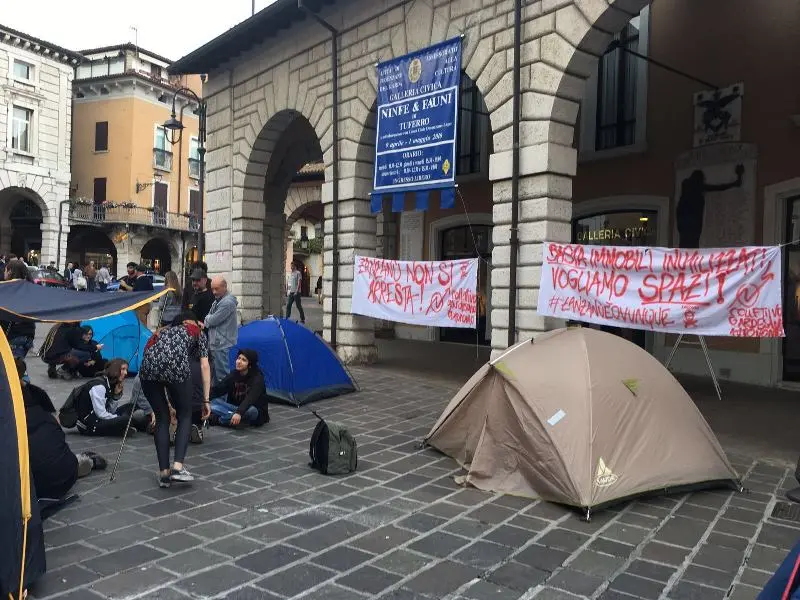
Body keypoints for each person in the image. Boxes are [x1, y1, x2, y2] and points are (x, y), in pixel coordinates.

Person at [16, 359, 106, 502]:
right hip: (62, 476)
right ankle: (82, 462)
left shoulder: (13, 408)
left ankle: (81, 462)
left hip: (33, 487)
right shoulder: (35, 395)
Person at [139, 311, 211, 487]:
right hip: (176, 368)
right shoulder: (196, 332)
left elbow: (149, 352)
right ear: (193, 322)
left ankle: (164, 473)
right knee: (185, 414)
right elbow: (204, 365)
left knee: (162, 417)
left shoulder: (161, 331)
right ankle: (178, 467)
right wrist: (206, 400)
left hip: (147, 369)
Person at [75, 359, 137, 436]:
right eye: (123, 369)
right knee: (126, 419)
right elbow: (101, 414)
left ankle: (122, 427)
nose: (126, 373)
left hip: (99, 418)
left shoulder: (109, 383)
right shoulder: (99, 386)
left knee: (131, 406)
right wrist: (118, 418)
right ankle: (120, 429)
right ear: (115, 369)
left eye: (126, 370)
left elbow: (110, 411)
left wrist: (115, 396)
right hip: (89, 425)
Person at [210, 349, 270, 427]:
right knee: (213, 402)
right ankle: (235, 419)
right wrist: (204, 400)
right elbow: (219, 390)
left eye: (243, 360)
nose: (239, 362)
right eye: (238, 358)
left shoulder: (257, 378)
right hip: (233, 408)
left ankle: (217, 419)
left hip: (251, 410)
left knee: (252, 411)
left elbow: (250, 398)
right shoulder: (234, 374)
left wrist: (239, 413)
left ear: (250, 364)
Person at [204, 276, 238, 385]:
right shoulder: (219, 300)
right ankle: (216, 399)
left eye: (216, 289)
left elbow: (211, 320)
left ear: (225, 287)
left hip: (222, 343)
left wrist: (208, 319)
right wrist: (208, 319)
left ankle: (222, 401)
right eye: (212, 289)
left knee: (222, 376)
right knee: (215, 375)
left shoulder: (226, 303)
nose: (214, 292)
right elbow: (208, 318)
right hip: (217, 342)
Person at [1, 260, 36, 358]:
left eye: (5, 270)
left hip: (14, 335)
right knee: (18, 366)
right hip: (28, 335)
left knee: (14, 369)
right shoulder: (30, 289)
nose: (4, 272)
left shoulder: (9, 290)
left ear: (10, 271)